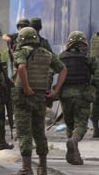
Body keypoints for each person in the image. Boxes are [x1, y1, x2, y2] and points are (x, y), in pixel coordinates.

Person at [12, 26, 67, 175]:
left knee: (24, 133)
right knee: (39, 132)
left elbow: (21, 68)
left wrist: (26, 87)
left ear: (22, 39)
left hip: (24, 97)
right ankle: (42, 168)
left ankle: (26, 168)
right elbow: (63, 69)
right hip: (41, 97)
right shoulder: (46, 53)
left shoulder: (21, 51)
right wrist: (55, 90)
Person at [59, 31, 99, 165]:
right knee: (81, 125)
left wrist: (53, 91)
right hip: (82, 95)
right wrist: (93, 87)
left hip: (65, 95)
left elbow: (51, 73)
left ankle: (75, 154)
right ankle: (73, 142)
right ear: (83, 43)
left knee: (70, 124)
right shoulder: (88, 56)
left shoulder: (61, 57)